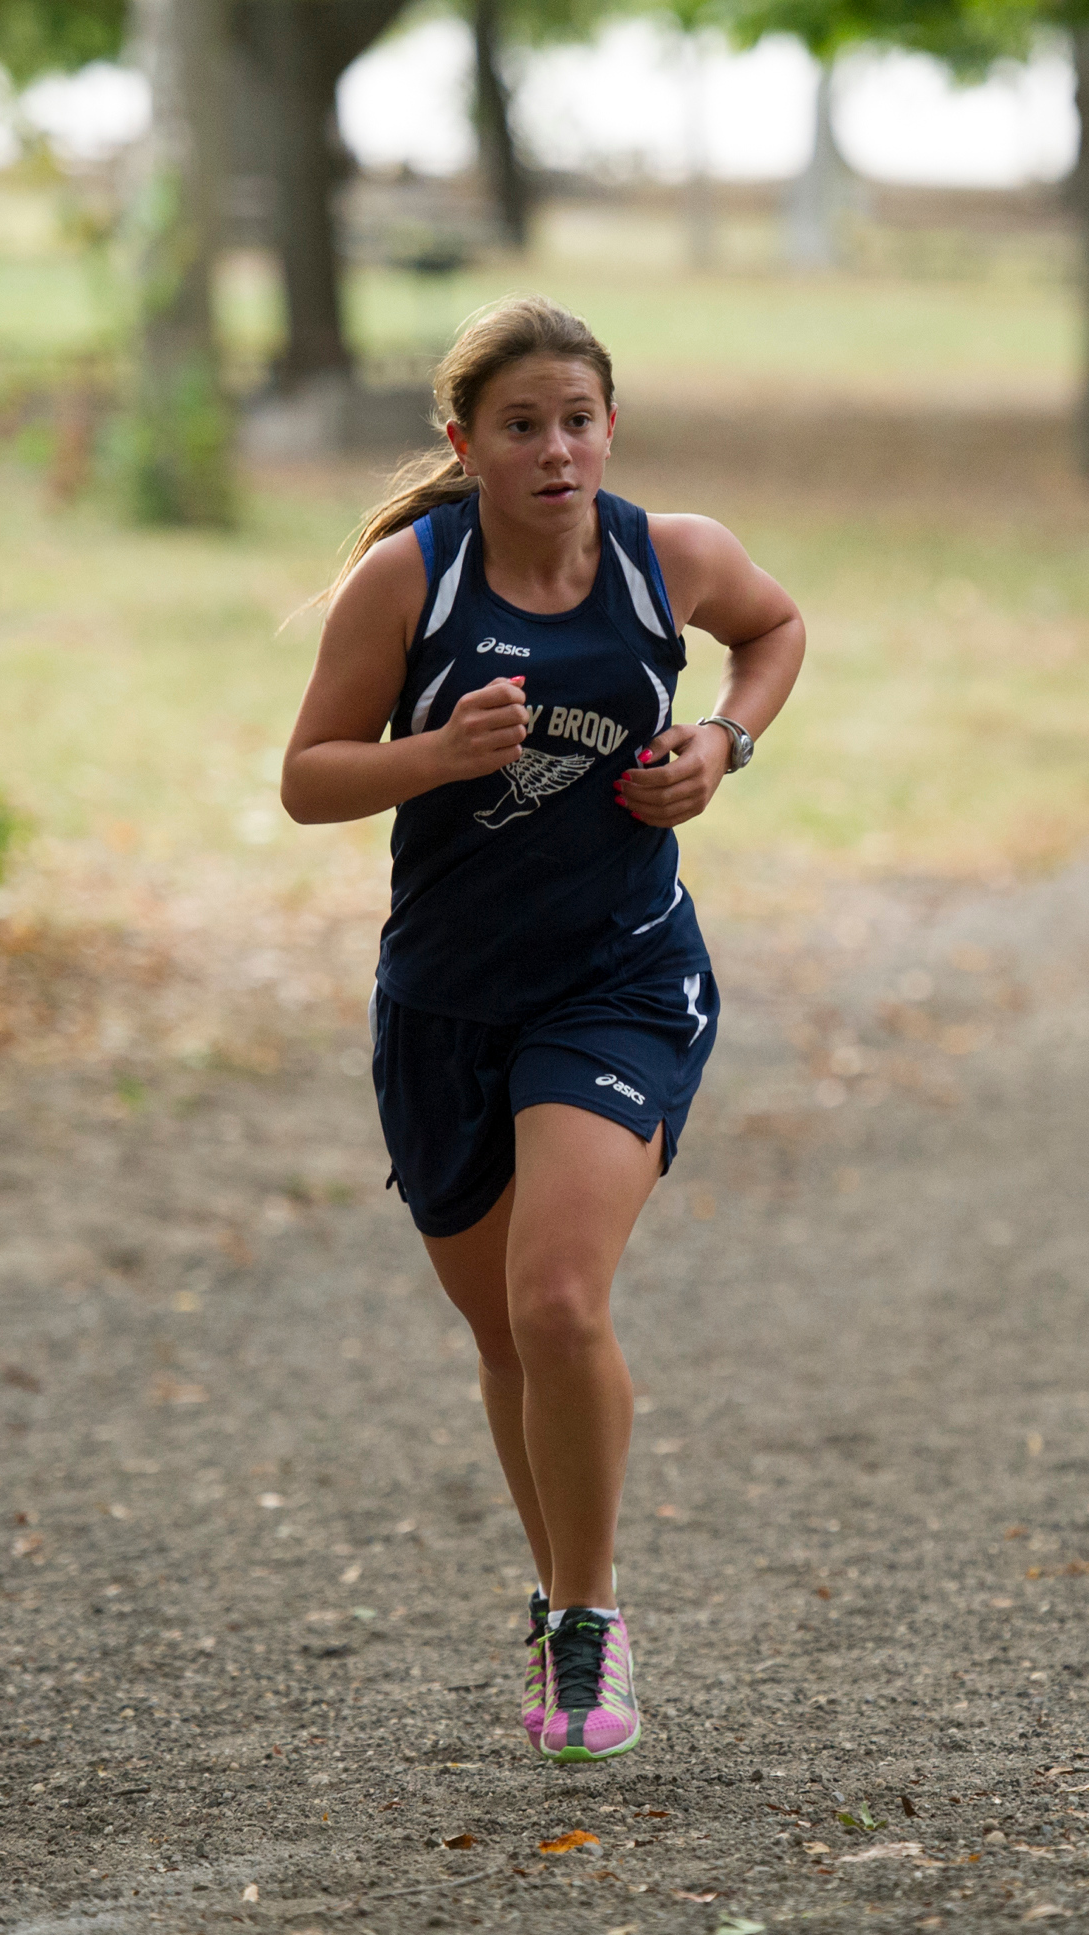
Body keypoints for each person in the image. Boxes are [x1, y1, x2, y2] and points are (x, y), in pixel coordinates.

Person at [278, 297, 804, 1764]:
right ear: (466, 442)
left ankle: (587, 1619)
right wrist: (432, 758)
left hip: (621, 977)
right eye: (521, 425)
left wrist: (722, 741)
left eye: (577, 419)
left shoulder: (668, 559)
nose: (555, 449)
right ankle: (554, 1586)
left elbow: (772, 628)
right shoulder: (410, 584)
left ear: (609, 427)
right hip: (445, 1000)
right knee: (508, 1333)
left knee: (560, 1299)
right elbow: (307, 779)